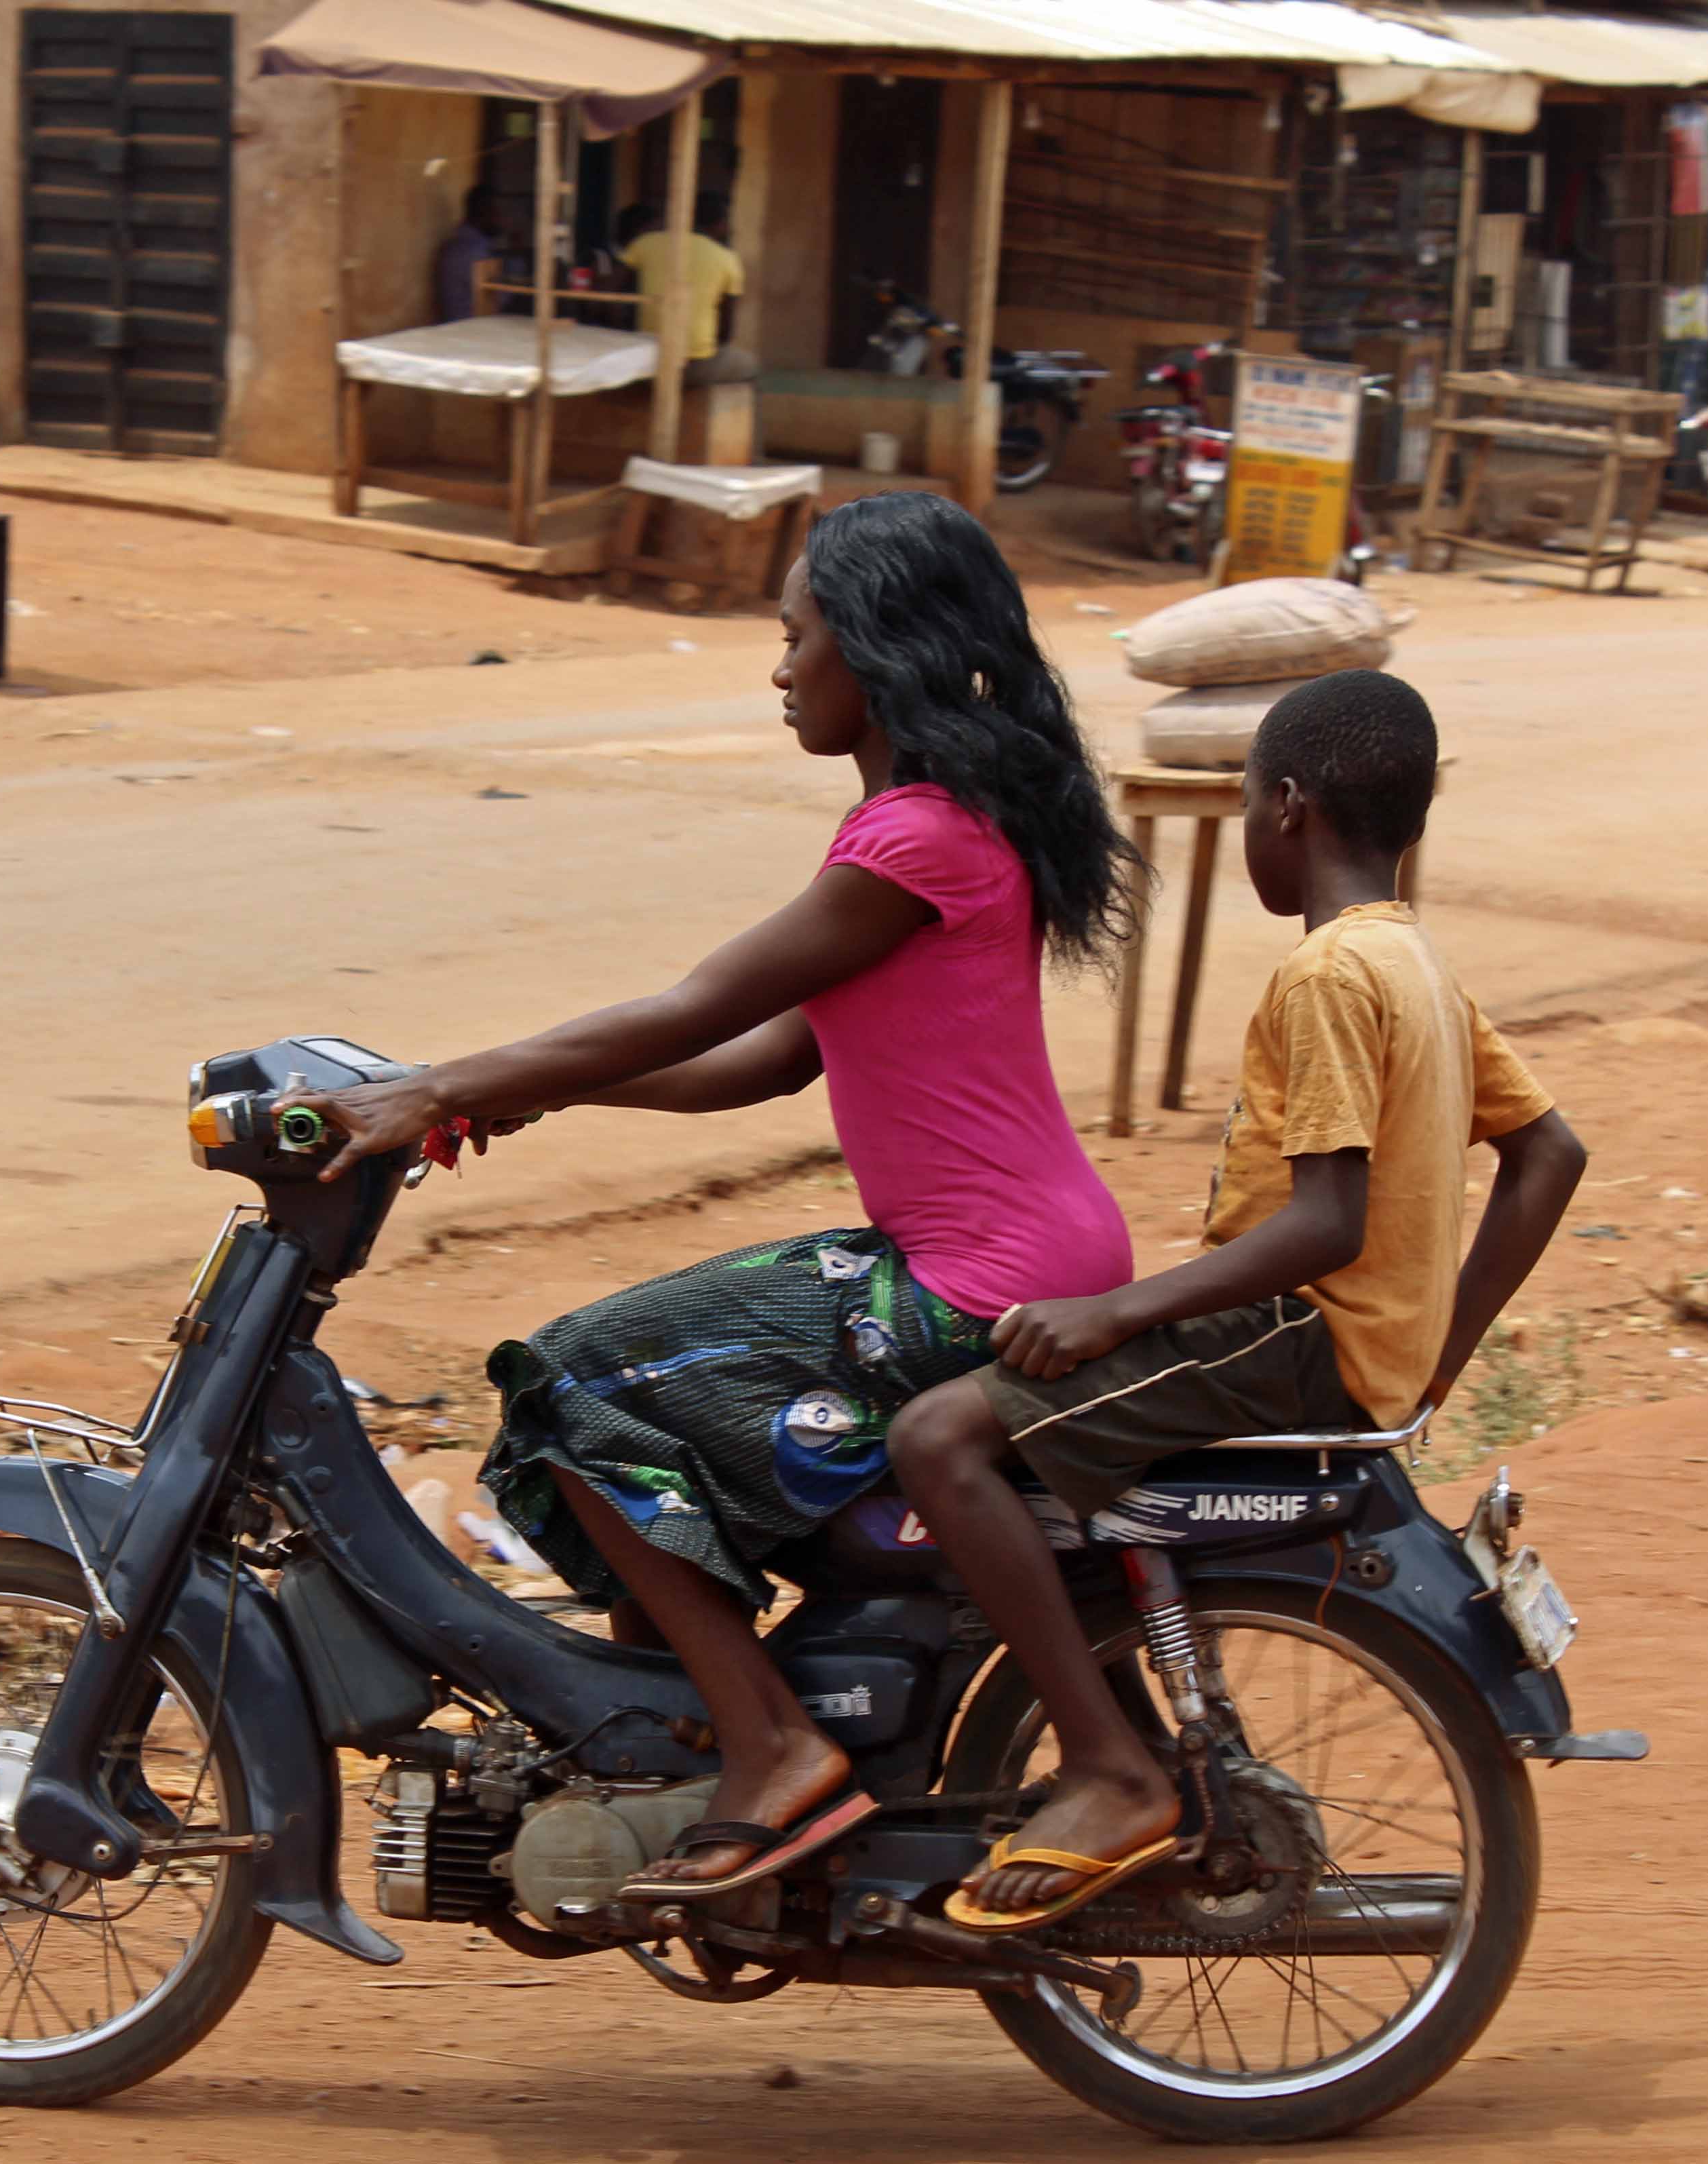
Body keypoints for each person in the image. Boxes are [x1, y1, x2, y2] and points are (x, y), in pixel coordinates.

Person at [300, 492, 1140, 1899]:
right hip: (1011, 1250)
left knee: (573, 1383)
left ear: (870, 648)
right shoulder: (935, 830)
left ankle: (764, 1746)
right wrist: (535, 1087)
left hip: (973, 1279)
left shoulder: (913, 843)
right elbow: (764, 1059)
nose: (780, 668)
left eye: (796, 633)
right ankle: (713, 1729)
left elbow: (698, 1003)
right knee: (653, 1382)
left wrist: (441, 1084)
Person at [886, 670, 1586, 1933]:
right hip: (1348, 1344)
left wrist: (1117, 1313)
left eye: (1250, 799)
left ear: (1284, 808)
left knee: (933, 1438)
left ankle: (1108, 1768)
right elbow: (1550, 1155)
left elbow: (1324, 1222)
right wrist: (1430, 1357)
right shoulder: (1414, 963)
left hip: (1292, 1334)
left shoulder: (1326, 976)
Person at [614, 199, 750, 383]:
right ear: (720, 224)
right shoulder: (728, 259)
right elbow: (726, 332)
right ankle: (706, 410)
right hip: (693, 363)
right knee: (750, 365)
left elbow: (613, 290)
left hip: (645, 358)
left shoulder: (645, 242)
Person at [436, 185, 506, 325]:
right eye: (497, 213)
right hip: (469, 330)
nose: (502, 219)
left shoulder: (461, 244)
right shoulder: (472, 251)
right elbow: (496, 298)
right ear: (483, 213)